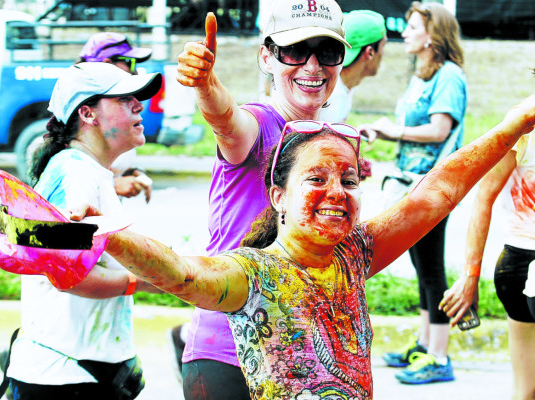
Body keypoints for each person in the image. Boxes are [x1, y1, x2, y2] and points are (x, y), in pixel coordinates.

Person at [72, 96, 535, 400]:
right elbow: (181, 272)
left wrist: (515, 123)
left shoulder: (355, 253)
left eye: (348, 180)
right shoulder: (253, 274)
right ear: (279, 197)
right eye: (316, 179)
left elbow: (438, 192)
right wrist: (109, 233)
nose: (336, 191)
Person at [173, 1, 351, 398]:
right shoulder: (259, 123)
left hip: (300, 356)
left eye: (327, 51)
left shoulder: (330, 139)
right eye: (294, 51)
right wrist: (206, 85)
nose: (312, 66)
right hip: (229, 356)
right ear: (266, 57)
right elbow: (227, 122)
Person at [5, 62, 163, 399]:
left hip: (77, 371)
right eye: (124, 99)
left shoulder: (86, 169)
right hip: (62, 378)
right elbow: (68, 277)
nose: (138, 105)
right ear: (88, 114)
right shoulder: (75, 173)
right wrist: (151, 280)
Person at [359, 2, 467, 384]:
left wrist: (392, 131)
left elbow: (439, 131)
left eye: (413, 27)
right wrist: (380, 132)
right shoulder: (422, 74)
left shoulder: (450, 76)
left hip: (436, 187)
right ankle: (425, 345)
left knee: (432, 266)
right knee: (421, 265)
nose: (404, 33)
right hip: (415, 185)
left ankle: (439, 355)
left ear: (433, 34)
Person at [440, 69, 535, 400]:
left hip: (517, 268)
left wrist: (471, 279)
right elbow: (483, 198)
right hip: (521, 265)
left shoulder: (522, 117)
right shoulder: (523, 123)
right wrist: (469, 276)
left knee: (526, 391)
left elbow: (483, 199)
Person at [77, 31, 155, 202]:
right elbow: (74, 184)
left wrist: (133, 172)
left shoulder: (106, 106)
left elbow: (112, 163)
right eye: (130, 62)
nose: (138, 106)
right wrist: (113, 185)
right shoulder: (90, 109)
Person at [319, 10, 387, 123]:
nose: (383, 53)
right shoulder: (329, 94)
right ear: (370, 53)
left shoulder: (345, 84)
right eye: (383, 46)